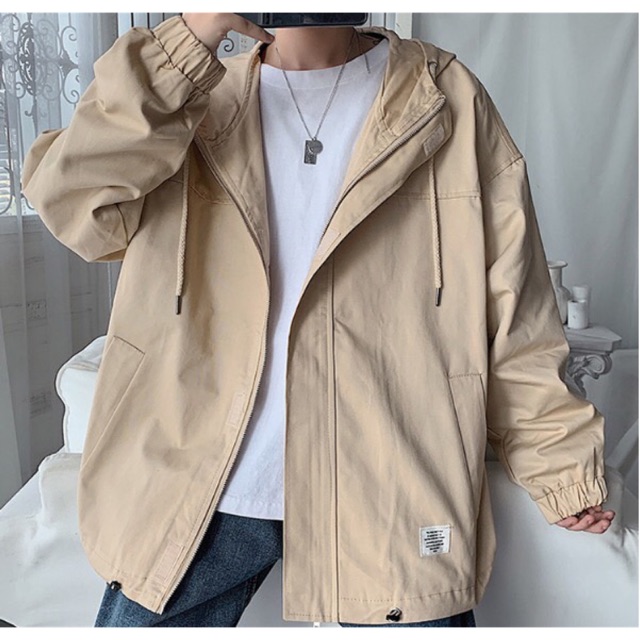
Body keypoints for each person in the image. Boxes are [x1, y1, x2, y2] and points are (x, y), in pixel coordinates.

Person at [21, 13, 616, 628]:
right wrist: (189, 38)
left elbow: (515, 305)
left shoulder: (442, 96)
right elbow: (74, 204)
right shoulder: (183, 98)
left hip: (389, 478)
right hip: (196, 476)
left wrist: (561, 466)